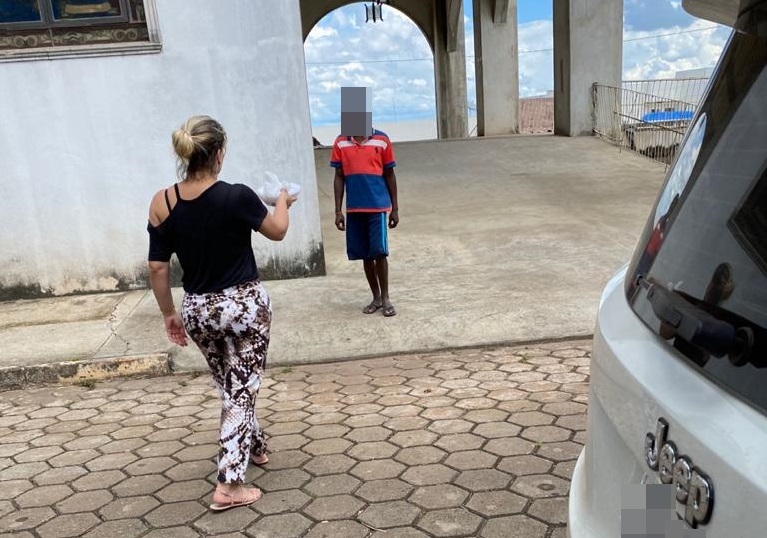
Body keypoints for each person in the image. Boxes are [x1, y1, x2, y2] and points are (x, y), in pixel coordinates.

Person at [146, 115, 296, 511]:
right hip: (244, 307)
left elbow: (157, 267)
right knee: (240, 390)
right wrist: (282, 200)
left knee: (233, 385)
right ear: (218, 154)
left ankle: (254, 446)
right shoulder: (237, 196)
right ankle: (229, 485)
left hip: (199, 309)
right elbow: (278, 230)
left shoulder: (162, 202)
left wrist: (168, 313)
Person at [331, 129, 399, 316]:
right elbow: (339, 176)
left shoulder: (382, 140)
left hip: (377, 207)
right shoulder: (341, 142)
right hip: (354, 208)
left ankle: (385, 298)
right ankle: (376, 297)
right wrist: (338, 211)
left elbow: (390, 174)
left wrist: (395, 209)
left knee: (380, 253)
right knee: (366, 255)